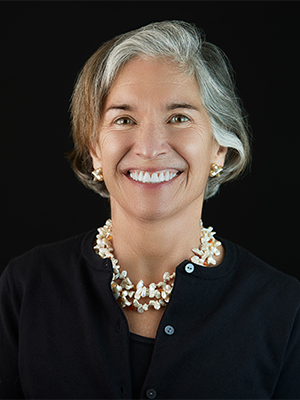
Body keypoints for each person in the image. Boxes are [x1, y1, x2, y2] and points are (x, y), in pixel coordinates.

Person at [1, 20, 299, 400]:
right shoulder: (27, 289)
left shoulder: (284, 311)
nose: (149, 147)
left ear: (219, 148)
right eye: (124, 119)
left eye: (179, 118)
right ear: (95, 148)